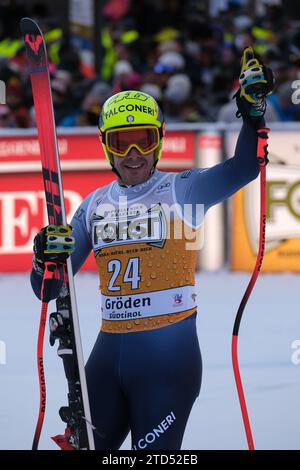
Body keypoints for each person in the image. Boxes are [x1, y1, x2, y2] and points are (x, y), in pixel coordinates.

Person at [30, 47, 274, 450]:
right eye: (120, 142)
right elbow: (47, 290)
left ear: (159, 140)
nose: (133, 155)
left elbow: (245, 166)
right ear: (106, 146)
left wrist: (253, 111)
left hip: (168, 364)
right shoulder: (92, 205)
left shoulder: (184, 189)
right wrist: (45, 259)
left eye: (142, 141)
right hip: (106, 363)